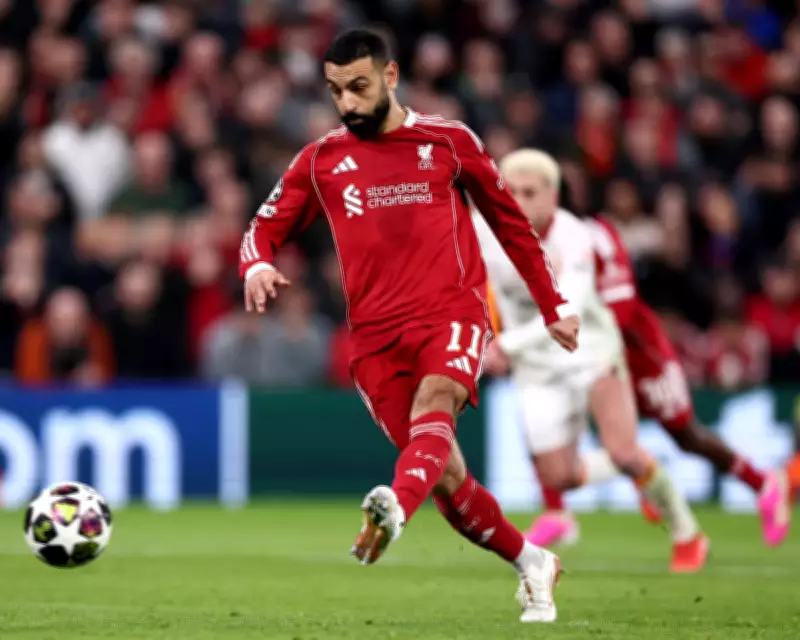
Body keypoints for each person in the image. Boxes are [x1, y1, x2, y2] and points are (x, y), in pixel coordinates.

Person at [239, 29, 579, 623]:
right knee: (447, 480)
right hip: (373, 340)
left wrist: (553, 305)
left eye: (359, 86)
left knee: (437, 401)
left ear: (391, 77)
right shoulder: (320, 161)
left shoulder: (448, 141)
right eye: (336, 91)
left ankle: (394, 506)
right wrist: (258, 264)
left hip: (452, 313)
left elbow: (512, 225)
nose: (347, 102)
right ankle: (532, 561)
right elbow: (262, 227)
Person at [478, 149, 709, 573]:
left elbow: (567, 309)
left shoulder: (574, 236)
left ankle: (688, 534)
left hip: (590, 352)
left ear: (553, 196)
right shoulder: (485, 231)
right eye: (512, 192)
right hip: (537, 368)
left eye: (531, 192)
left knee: (622, 451)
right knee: (560, 477)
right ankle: (645, 468)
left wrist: (504, 346)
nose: (520, 201)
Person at [580, 214, 792, 547]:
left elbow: (621, 305)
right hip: (589, 350)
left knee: (686, 435)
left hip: (638, 350)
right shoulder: (528, 240)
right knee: (577, 423)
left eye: (528, 193)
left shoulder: (594, 234)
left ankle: (763, 482)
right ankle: (570, 509)